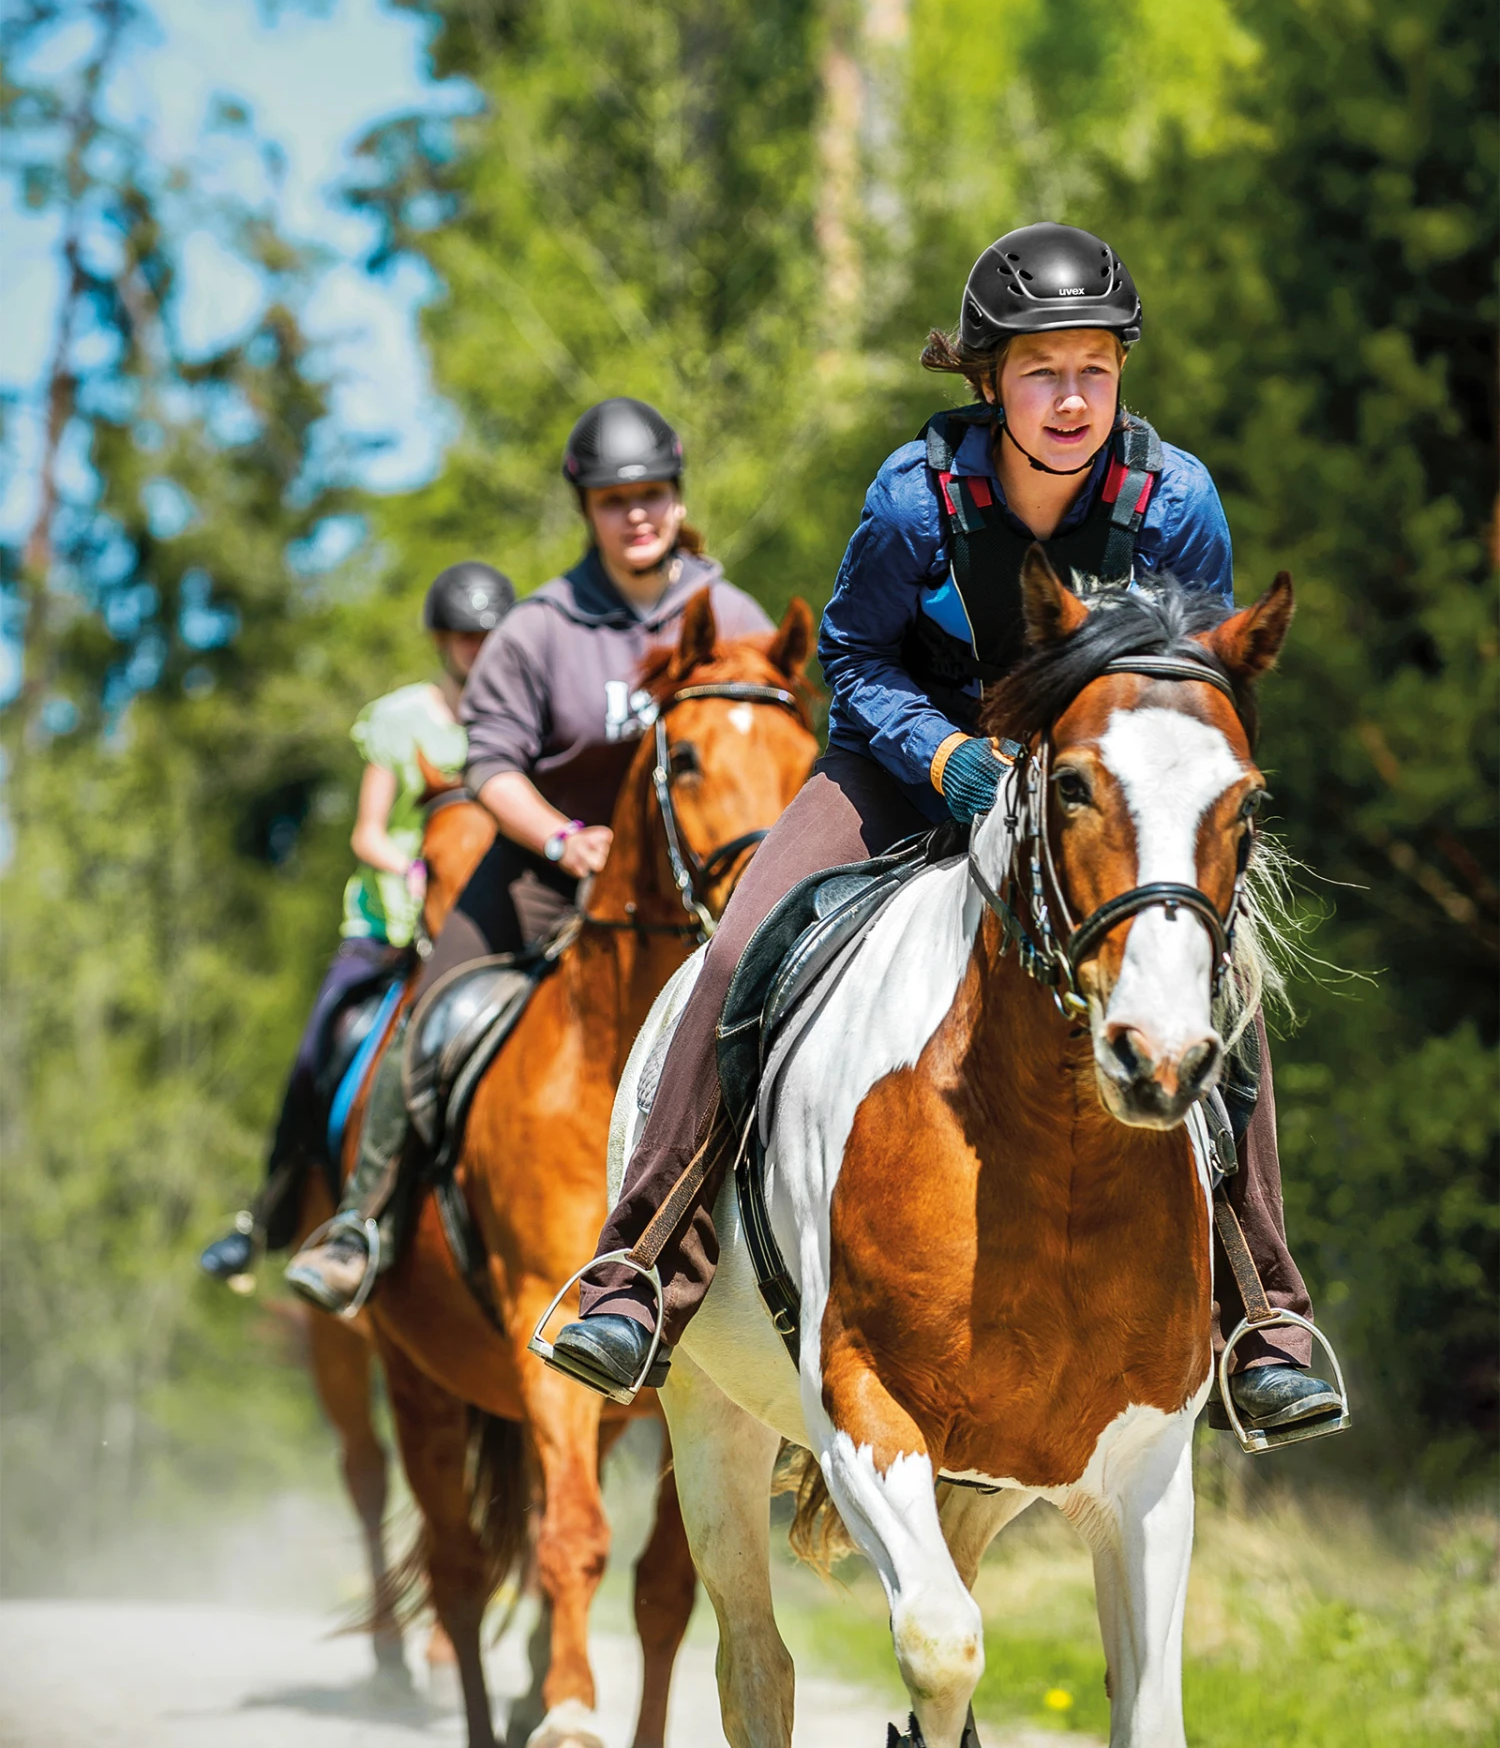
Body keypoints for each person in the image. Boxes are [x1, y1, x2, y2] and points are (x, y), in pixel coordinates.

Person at [549, 224, 1343, 1440]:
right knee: (737, 950)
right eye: (1041, 370)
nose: (1072, 397)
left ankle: (1263, 1320)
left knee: (1216, 980)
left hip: (1091, 803)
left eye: (1095, 367)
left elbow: (1192, 689)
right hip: (901, 774)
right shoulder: (915, 498)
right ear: (988, 381)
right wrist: (949, 760)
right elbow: (857, 660)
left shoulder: (1175, 499)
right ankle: (639, 1272)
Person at [284, 398, 775, 1316]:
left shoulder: (728, 611)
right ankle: (362, 1222)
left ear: (677, 498)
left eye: (654, 494)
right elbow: (490, 768)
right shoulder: (540, 628)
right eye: (614, 498)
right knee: (431, 1013)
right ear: (585, 510)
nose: (638, 514)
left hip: (691, 886)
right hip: (547, 868)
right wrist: (561, 836)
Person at [200, 561, 515, 1285]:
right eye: (464, 636)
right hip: (391, 924)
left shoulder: (518, 716)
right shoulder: (401, 718)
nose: (476, 648)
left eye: (488, 635)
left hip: (487, 919)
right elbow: (369, 830)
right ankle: (266, 1217)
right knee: (319, 1051)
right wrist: (409, 872)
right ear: (442, 639)